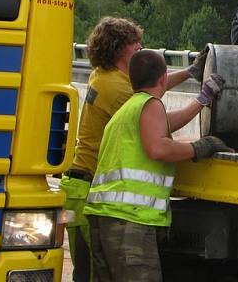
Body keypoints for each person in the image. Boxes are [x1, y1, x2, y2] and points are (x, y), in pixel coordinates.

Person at [60, 17, 208, 282]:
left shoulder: (105, 76)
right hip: (88, 189)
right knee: (90, 275)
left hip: (81, 189)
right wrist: (201, 102)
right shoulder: (117, 89)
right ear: (118, 48)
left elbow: (152, 85)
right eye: (134, 43)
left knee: (90, 272)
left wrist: (189, 73)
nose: (140, 46)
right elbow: (158, 121)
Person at [84, 49, 231, 282]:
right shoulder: (150, 105)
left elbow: (168, 122)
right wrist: (198, 148)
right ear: (163, 79)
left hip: (107, 218)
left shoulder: (131, 108)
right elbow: (158, 147)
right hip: (130, 221)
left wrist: (202, 100)